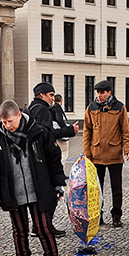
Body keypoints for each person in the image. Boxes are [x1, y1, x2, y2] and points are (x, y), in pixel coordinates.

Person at [0, 100, 64, 256]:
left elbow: (54, 160)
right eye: (4, 122)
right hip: (13, 192)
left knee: (44, 228)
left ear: (19, 115)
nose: (7, 126)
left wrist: (58, 184)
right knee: (19, 231)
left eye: (10, 121)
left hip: (39, 189)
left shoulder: (39, 132)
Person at [28, 82, 76, 234]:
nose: (52, 99)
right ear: (42, 95)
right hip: (44, 157)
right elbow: (47, 135)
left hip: (35, 156)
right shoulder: (42, 110)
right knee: (51, 191)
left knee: (40, 193)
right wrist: (70, 130)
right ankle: (45, 225)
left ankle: (38, 225)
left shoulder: (31, 109)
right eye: (50, 95)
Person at [82, 79, 129, 225]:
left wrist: (127, 148)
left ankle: (117, 217)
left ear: (109, 92)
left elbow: (125, 130)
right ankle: (98, 215)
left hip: (115, 154)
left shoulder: (119, 107)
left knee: (117, 188)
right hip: (96, 155)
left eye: (102, 92)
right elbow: (87, 132)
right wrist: (87, 153)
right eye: (97, 92)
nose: (99, 95)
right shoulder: (91, 108)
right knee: (97, 189)